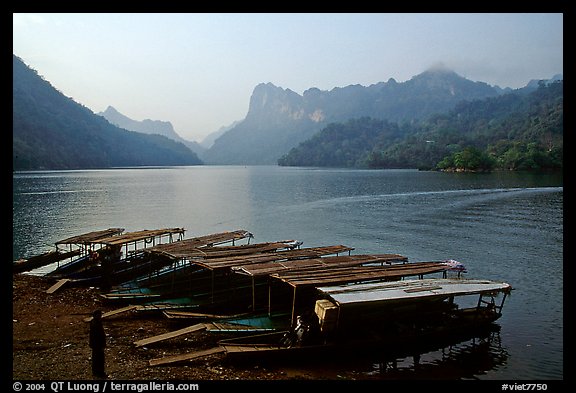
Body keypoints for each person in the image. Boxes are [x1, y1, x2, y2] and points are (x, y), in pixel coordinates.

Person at [89, 309, 107, 378]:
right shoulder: (96, 323)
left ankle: (96, 372)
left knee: (95, 358)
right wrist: (102, 344)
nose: (101, 316)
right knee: (99, 359)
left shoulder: (93, 322)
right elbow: (99, 335)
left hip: (95, 344)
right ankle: (100, 373)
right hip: (98, 345)